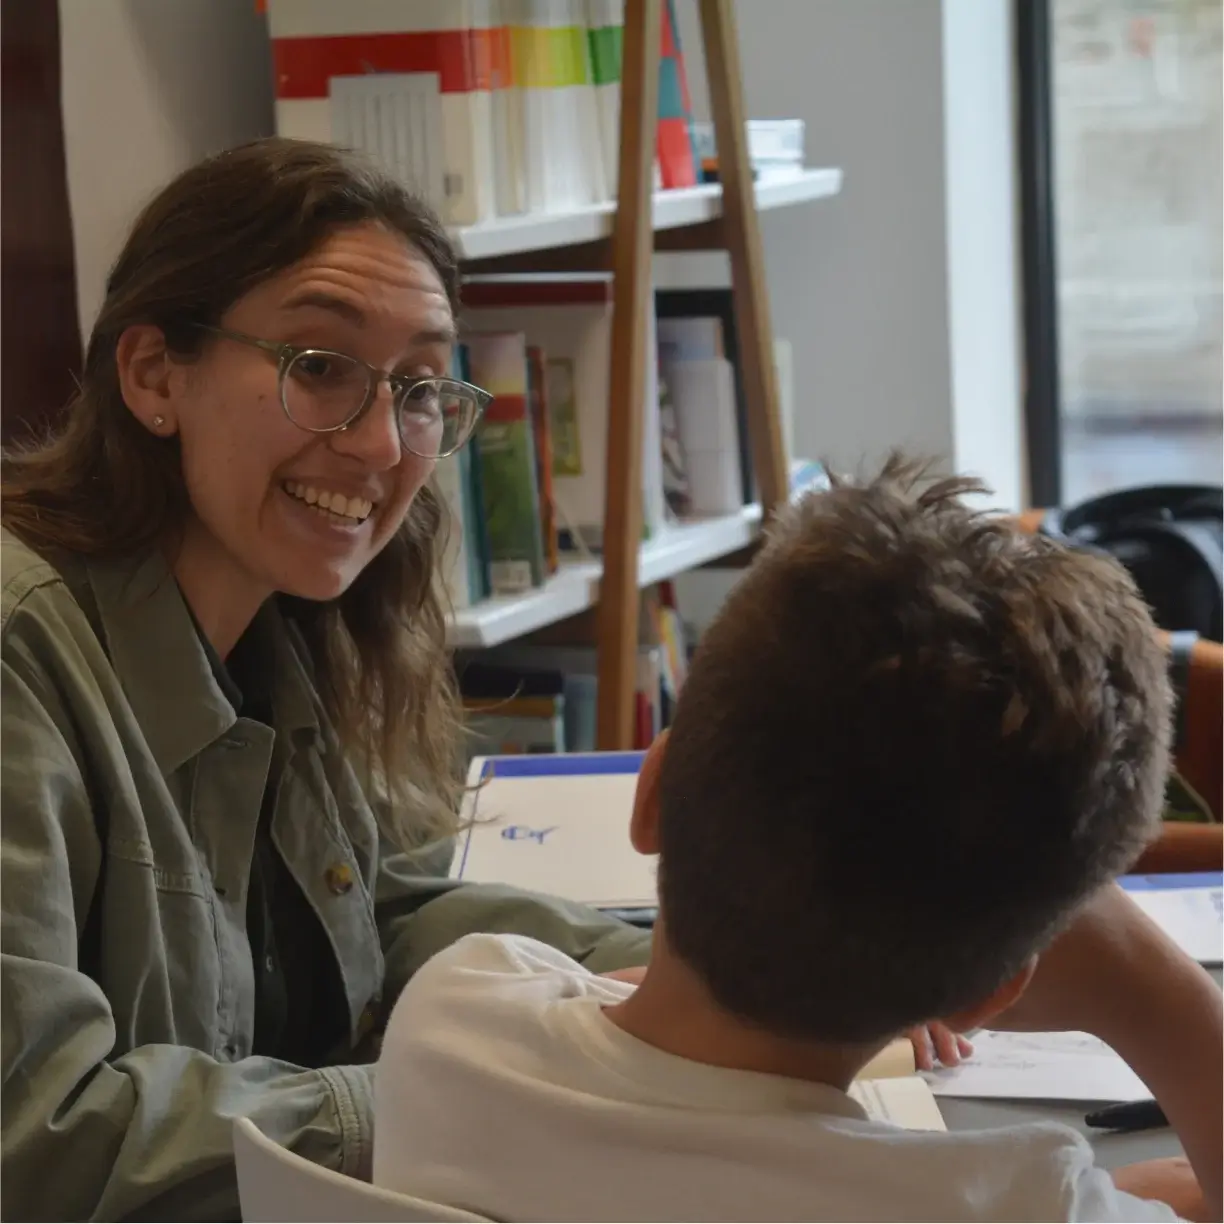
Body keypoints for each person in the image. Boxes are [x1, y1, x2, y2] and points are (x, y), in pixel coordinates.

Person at [0, 138, 663, 1223]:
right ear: (153, 375)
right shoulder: (19, 646)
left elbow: (380, 920)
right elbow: (35, 1142)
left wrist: (692, 984)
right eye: (319, 368)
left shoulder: (277, 613)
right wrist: (453, 1098)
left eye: (416, 390)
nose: (378, 443)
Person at [374, 458, 1223, 1222]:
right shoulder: (1027, 1204)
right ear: (988, 995)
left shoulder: (453, 1019)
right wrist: (1158, 997)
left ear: (653, 794)